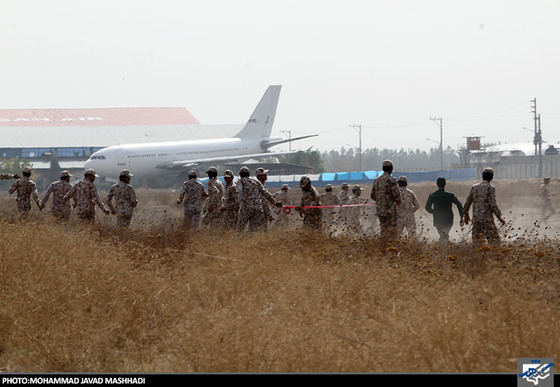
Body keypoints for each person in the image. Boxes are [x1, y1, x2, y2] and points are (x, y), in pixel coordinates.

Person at [463, 167, 506, 245]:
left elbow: (467, 203)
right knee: (495, 243)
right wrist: (499, 218)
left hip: (476, 219)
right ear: (492, 177)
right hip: (487, 220)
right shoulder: (490, 188)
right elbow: (493, 205)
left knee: (477, 244)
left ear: (482, 176)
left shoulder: (474, 187)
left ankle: (479, 257)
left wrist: (466, 215)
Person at [235, 166, 281, 232]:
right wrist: (275, 202)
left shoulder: (240, 181)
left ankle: (238, 241)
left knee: (239, 229)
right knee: (253, 230)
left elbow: (239, 193)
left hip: (246, 208)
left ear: (240, 174)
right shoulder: (256, 182)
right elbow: (266, 193)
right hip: (257, 209)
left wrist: (237, 204)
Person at [370, 160, 401, 249]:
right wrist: (396, 201)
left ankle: (382, 247)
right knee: (392, 230)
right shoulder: (391, 180)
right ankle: (391, 248)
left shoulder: (377, 180)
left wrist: (380, 201)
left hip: (380, 210)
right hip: (390, 210)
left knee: (383, 230)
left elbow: (372, 195)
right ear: (391, 169)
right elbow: (396, 195)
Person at [425, 177, 464, 243]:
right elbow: (459, 204)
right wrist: (461, 217)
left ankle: (441, 247)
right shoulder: (450, 195)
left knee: (442, 235)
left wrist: (435, 212)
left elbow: (427, 207)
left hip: (438, 219)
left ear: (437, 184)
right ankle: (444, 247)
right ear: (445, 184)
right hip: (448, 219)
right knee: (445, 234)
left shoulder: (433, 195)